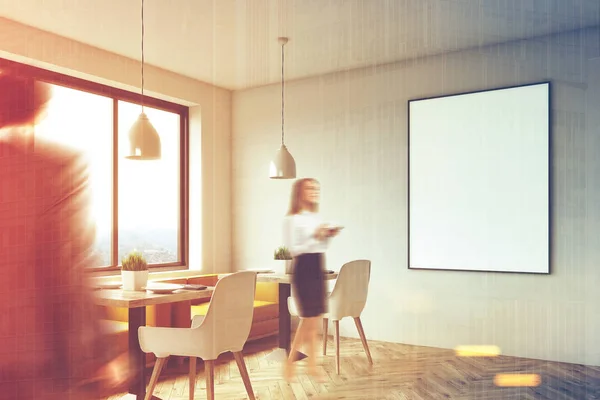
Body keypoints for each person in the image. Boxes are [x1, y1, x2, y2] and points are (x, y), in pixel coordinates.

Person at [0, 70, 128, 399]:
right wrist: (95, 357)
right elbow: (64, 270)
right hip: (32, 357)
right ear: (38, 109)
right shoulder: (53, 168)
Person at [282, 178, 342, 382]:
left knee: (315, 319)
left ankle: (310, 365)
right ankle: (292, 362)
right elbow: (294, 249)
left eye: (317, 188)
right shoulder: (292, 219)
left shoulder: (316, 217)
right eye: (310, 188)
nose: (314, 191)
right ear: (300, 192)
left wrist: (326, 235)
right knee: (308, 317)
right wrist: (315, 236)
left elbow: (321, 247)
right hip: (303, 267)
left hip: (318, 264)